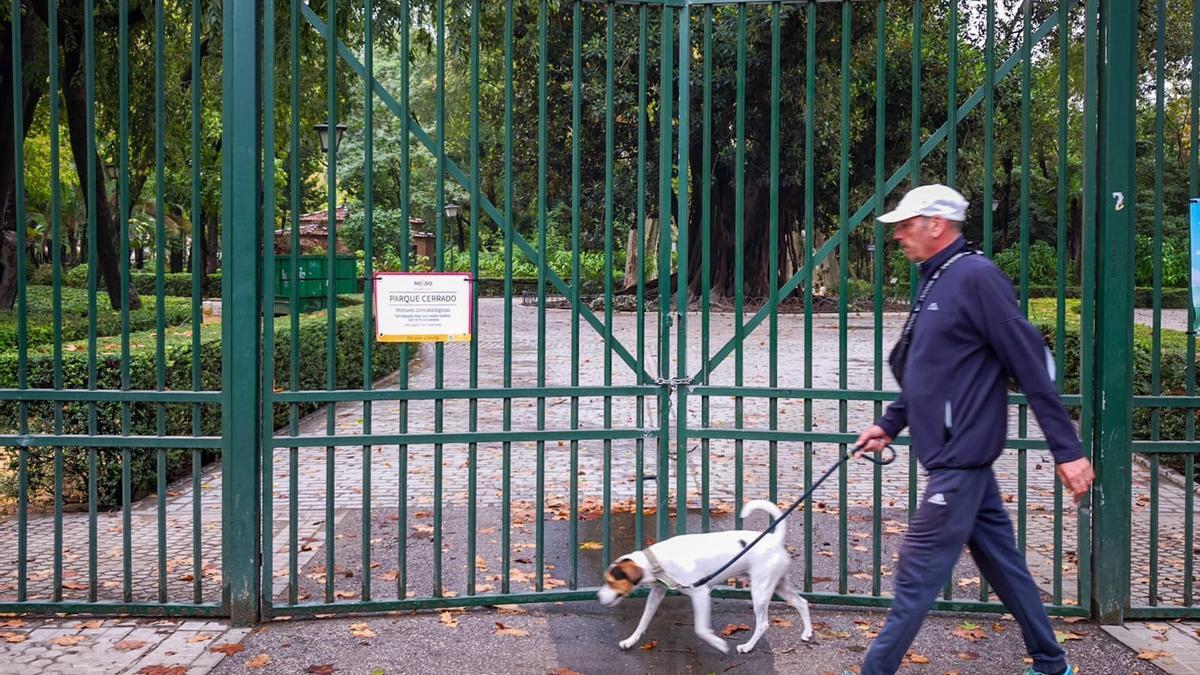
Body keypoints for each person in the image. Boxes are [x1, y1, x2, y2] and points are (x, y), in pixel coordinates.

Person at [850, 184, 1095, 675]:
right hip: (960, 462)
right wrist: (889, 423)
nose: (898, 235)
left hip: (961, 460)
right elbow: (932, 371)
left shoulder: (977, 278)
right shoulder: (935, 278)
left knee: (916, 574)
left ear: (936, 224)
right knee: (1005, 567)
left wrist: (1067, 450)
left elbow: (1030, 365)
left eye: (905, 225)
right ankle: (1051, 663)